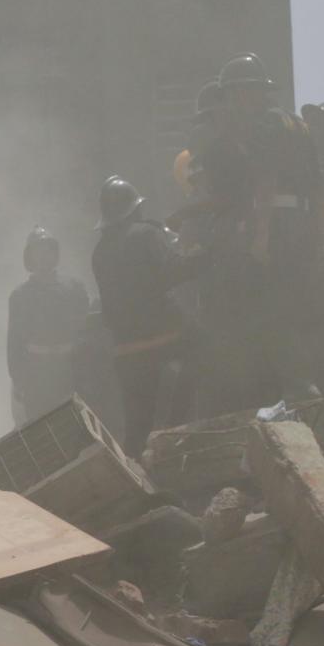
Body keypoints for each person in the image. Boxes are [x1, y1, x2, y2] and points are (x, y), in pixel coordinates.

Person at [192, 55, 321, 410]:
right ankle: (297, 384)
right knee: (291, 304)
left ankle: (297, 386)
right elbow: (315, 182)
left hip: (277, 222)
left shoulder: (265, 125)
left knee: (271, 306)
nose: (233, 103)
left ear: (248, 91)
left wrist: (261, 234)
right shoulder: (296, 123)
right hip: (300, 222)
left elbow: (267, 179)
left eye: (235, 93)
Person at [92, 177, 199, 453]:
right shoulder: (146, 234)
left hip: (125, 348)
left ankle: (137, 485)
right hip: (165, 339)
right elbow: (172, 271)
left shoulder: (99, 251)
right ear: (134, 209)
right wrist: (203, 256)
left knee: (137, 427)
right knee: (206, 351)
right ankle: (173, 433)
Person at [5, 226, 89, 425]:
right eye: (37, 250)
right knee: (42, 430)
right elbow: (14, 342)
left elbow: (86, 332)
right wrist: (18, 379)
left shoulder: (74, 287)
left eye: (48, 249)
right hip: (36, 373)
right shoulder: (19, 296)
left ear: (55, 253)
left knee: (75, 425)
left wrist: (86, 370)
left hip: (69, 369)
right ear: (30, 257)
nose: (43, 255)